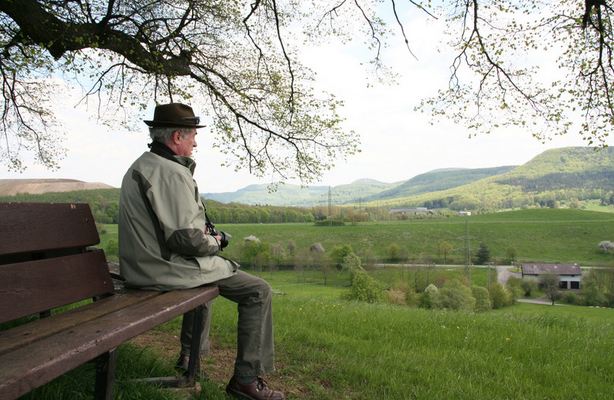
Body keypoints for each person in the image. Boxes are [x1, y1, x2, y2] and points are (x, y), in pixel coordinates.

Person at [118, 103, 285, 400]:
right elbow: (186, 240)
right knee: (258, 290)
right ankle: (245, 380)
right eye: (193, 135)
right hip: (162, 268)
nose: (196, 142)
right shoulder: (169, 173)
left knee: (208, 275)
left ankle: (189, 360)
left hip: (145, 263)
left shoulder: (145, 165)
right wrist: (218, 242)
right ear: (177, 136)